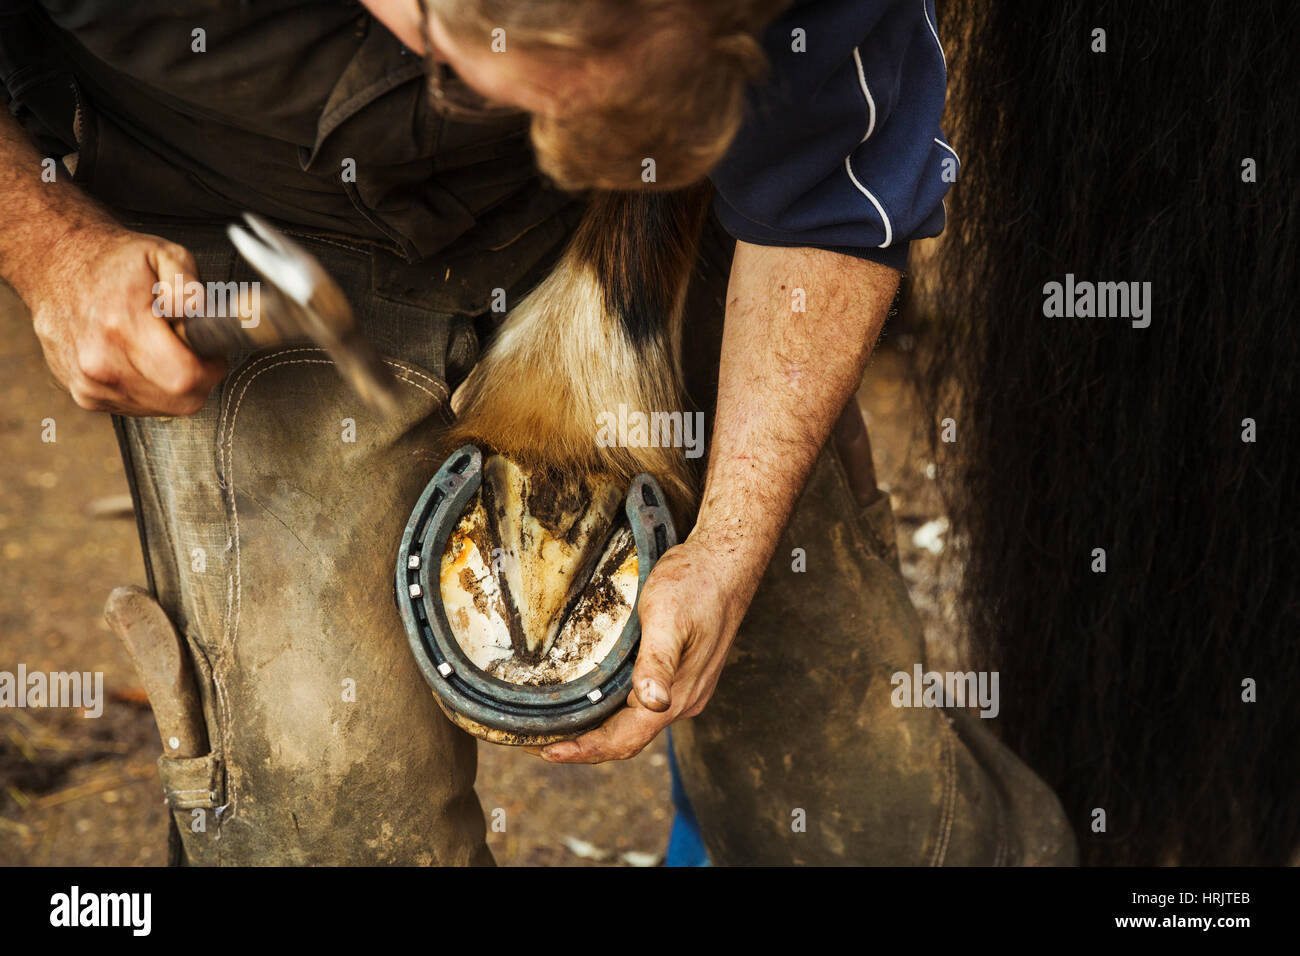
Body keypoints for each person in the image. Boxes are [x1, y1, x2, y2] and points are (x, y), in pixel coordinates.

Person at [0, 0, 1074, 864]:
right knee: (328, 827)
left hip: (660, 198)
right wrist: (47, 244)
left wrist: (734, 546)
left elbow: (836, 187)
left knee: (869, 820)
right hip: (228, 197)